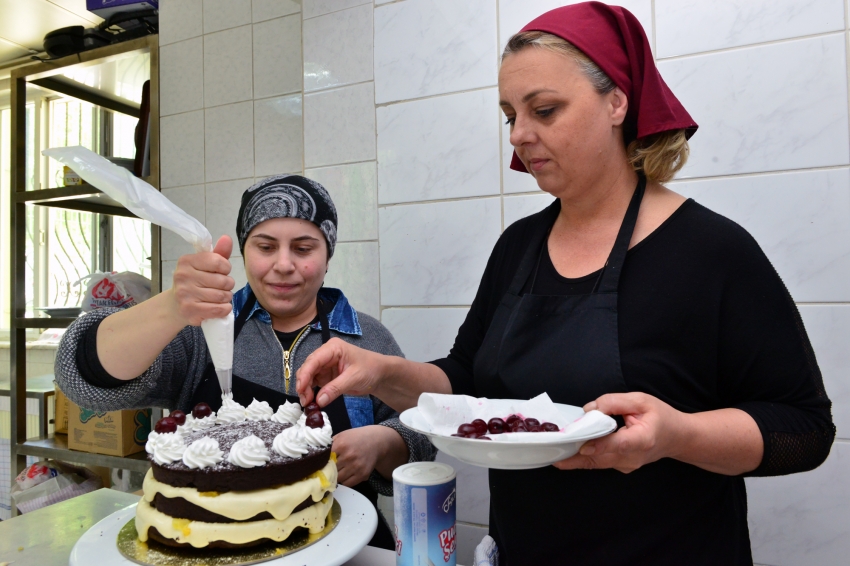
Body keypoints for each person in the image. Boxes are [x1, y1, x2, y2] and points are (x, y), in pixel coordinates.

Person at [295, 3, 836, 565]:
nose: (520, 136)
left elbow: (803, 428)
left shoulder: (711, 251)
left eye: (545, 109)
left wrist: (676, 435)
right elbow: (464, 382)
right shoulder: (518, 247)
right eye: (510, 116)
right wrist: (381, 373)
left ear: (617, 102)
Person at [54, 174, 436, 550]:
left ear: (327, 256)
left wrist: (384, 441)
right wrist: (170, 307)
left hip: (344, 544)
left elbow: (424, 432)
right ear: (243, 250)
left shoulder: (366, 337)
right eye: (265, 247)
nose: (283, 264)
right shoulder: (199, 332)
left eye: (303, 249)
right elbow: (81, 380)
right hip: (210, 549)